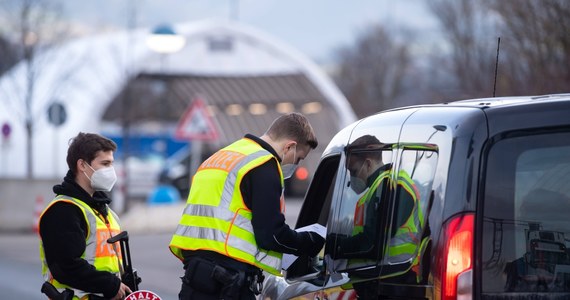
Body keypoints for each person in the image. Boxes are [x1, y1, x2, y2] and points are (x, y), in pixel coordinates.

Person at [169, 112, 326, 300]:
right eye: (299, 158)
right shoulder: (263, 165)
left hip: (195, 278)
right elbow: (272, 236)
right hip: (227, 282)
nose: (296, 163)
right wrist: (312, 241)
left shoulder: (222, 156)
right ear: (289, 146)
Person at [38, 132, 132, 299]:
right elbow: (66, 266)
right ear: (82, 165)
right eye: (105, 163)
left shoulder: (105, 211)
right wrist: (110, 284)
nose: (111, 170)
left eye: (111, 164)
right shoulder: (63, 210)